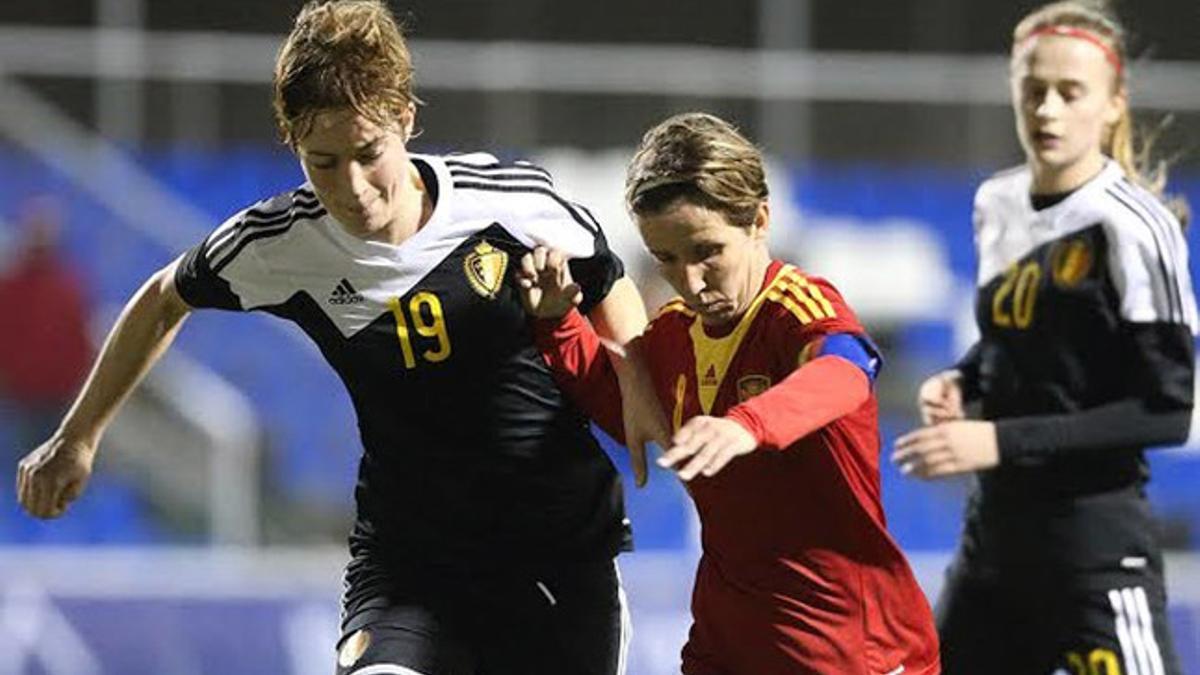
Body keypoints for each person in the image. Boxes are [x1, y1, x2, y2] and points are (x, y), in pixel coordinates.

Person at [15, 2, 670, 674]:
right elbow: (162, 299)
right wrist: (78, 436)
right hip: (411, 569)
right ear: (291, 141)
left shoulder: (510, 202)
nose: (352, 188)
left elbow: (607, 279)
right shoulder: (281, 242)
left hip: (557, 557)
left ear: (406, 119)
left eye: (367, 153)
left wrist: (642, 383)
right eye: (323, 161)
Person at [519, 112, 939, 675]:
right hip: (727, 645)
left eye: (706, 251)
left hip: (851, 651)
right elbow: (626, 408)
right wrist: (557, 322)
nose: (690, 282)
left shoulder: (797, 309)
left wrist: (748, 425)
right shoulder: (672, 336)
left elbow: (846, 369)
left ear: (759, 220)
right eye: (666, 259)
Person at [892, 3, 1195, 674]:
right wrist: (964, 379)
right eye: (1033, 89)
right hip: (994, 546)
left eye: (1070, 91)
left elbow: (1168, 411)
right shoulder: (995, 203)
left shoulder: (1136, 227)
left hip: (1090, 547)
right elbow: (1020, 342)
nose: (1048, 109)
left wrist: (996, 438)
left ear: (1113, 105)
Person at [0, 196, 93, 455]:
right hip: (17, 400)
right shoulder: (10, 286)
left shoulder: (69, 288)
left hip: (57, 400)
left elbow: (79, 343)